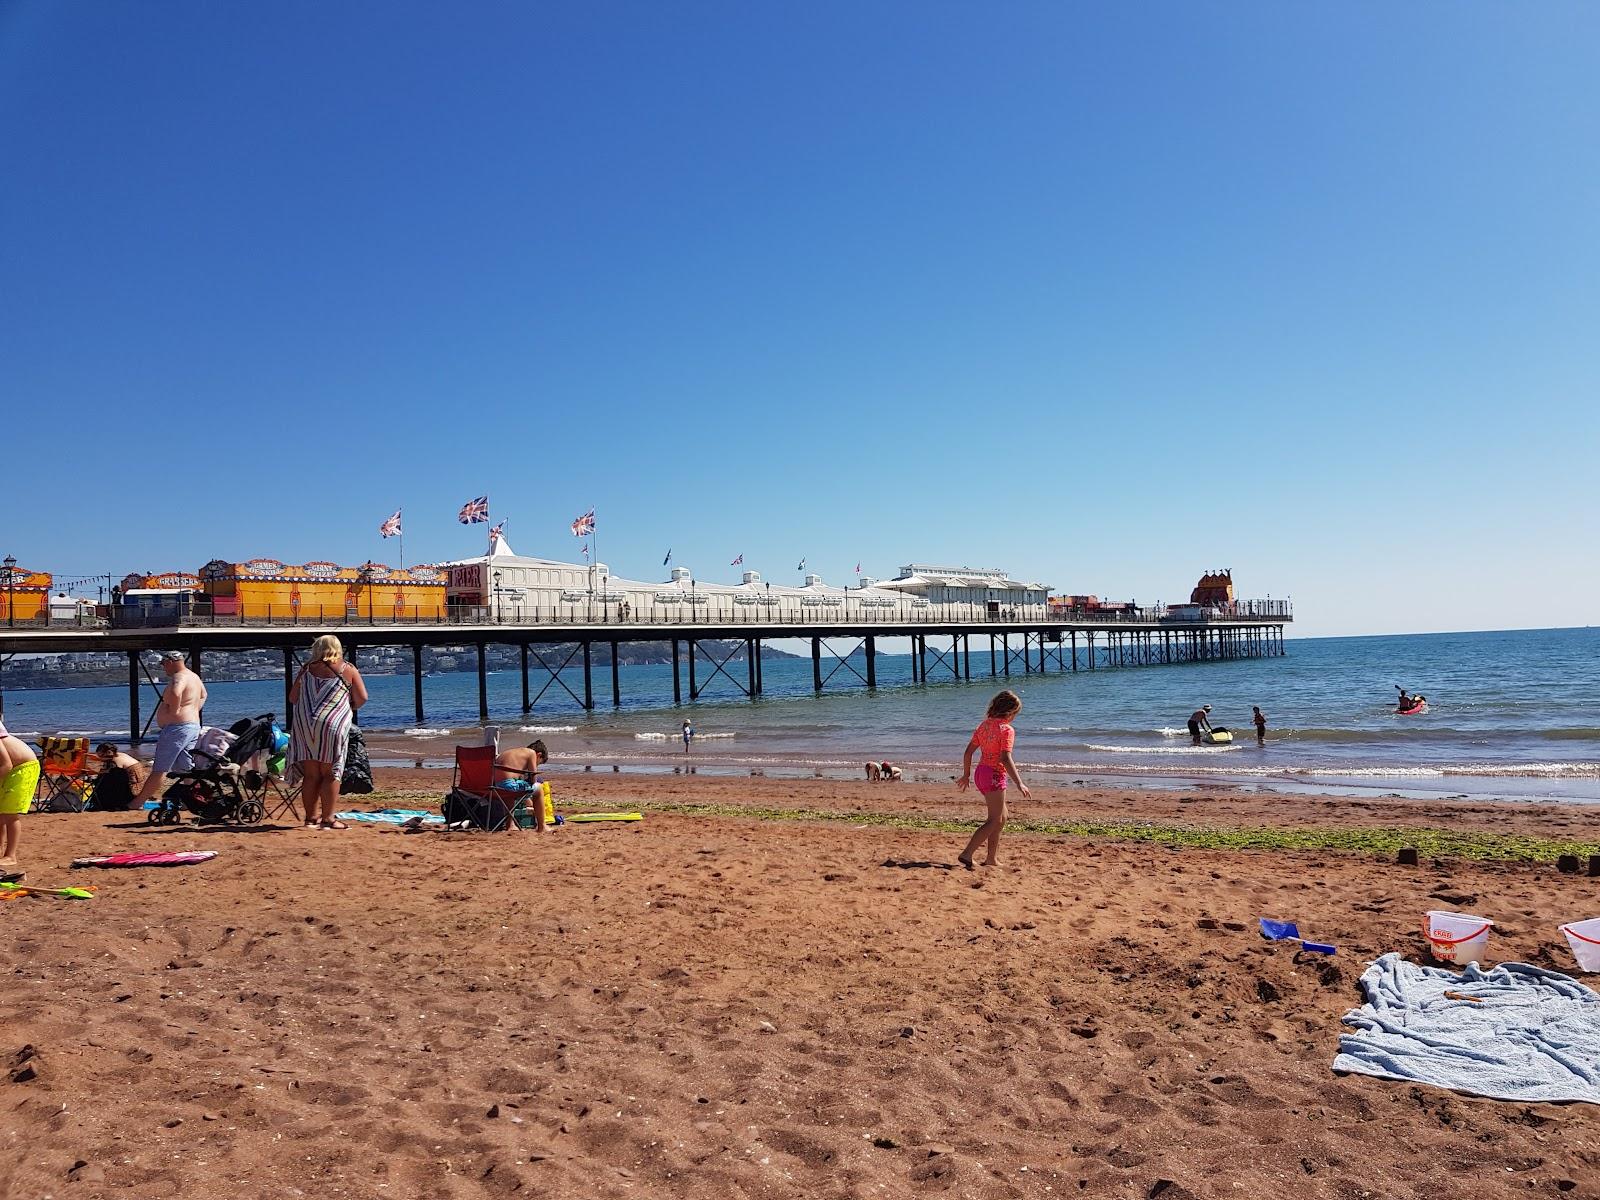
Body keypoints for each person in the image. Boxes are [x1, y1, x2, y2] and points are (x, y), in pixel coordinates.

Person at [289, 634, 368, 830]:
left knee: (311, 774)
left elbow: (293, 698)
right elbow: (362, 698)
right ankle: (328, 819)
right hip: (332, 724)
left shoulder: (306, 669)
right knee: (331, 773)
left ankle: (310, 818)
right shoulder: (347, 669)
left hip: (305, 725)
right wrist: (349, 706)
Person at [956, 689, 1031, 870]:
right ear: (1010, 712)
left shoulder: (983, 725)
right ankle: (967, 853)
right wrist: (1019, 782)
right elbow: (1005, 758)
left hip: (980, 773)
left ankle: (991, 858)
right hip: (994, 775)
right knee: (994, 819)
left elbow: (968, 753)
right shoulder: (1006, 730)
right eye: (1015, 714)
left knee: (1002, 817)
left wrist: (966, 775)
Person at [134, 650, 208, 807]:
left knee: (161, 767)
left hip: (177, 728)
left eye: (163, 664)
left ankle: (137, 802)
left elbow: (175, 692)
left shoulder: (179, 677)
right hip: (192, 726)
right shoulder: (194, 677)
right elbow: (203, 695)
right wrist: (193, 709)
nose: (163, 668)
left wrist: (174, 710)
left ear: (170, 662)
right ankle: (192, 801)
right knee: (185, 767)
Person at [0, 699, 39, 876]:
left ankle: (11, 855)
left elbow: (6, 764)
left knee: (9, 813)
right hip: (9, 768)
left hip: (23, 767)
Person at [493, 738, 551, 832]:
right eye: (538, 763)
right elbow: (533, 778)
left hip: (496, 787)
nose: (537, 765)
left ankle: (510, 825)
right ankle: (542, 826)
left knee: (510, 790)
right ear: (539, 755)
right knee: (539, 788)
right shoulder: (532, 753)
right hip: (509, 786)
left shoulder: (511, 753)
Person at [93, 741, 149, 811]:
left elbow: (112, 773)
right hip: (136, 773)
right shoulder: (119, 755)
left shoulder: (115, 761)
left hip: (133, 776)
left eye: (100, 756)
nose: (100, 758)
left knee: (106, 782)